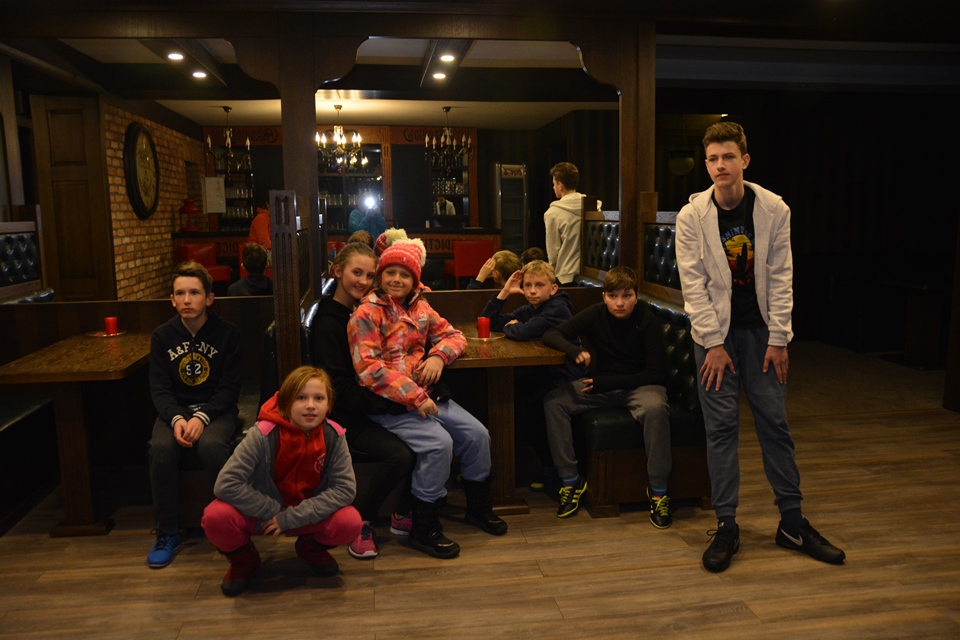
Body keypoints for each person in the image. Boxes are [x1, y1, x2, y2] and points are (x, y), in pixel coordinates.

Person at [676, 121, 845, 573]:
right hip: (714, 339)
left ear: (744, 160)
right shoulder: (692, 216)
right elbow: (693, 285)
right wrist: (713, 343)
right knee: (721, 430)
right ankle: (726, 525)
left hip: (762, 335)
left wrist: (779, 339)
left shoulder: (773, 208)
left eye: (728, 157)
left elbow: (782, 275)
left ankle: (792, 523)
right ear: (706, 164)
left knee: (775, 425)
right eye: (713, 159)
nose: (720, 165)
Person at [347, 239, 507, 559]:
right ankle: (424, 527)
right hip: (390, 403)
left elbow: (454, 336)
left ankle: (478, 508)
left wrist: (437, 356)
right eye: (390, 272)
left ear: (415, 280)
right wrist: (416, 396)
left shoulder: (421, 307)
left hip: (428, 396)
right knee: (438, 445)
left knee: (478, 435)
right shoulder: (366, 313)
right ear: (380, 276)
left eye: (404, 274)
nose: (397, 279)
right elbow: (368, 369)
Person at [201, 366, 363, 596]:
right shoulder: (262, 433)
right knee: (215, 516)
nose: (310, 405)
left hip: (304, 514)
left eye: (319, 398)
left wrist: (290, 518)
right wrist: (273, 511)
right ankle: (244, 559)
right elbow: (226, 483)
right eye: (301, 398)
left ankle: (310, 548)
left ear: (329, 404)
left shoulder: (334, 435)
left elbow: (345, 489)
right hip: (265, 514)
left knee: (350, 522)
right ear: (286, 402)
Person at [542, 266, 671, 525]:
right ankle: (570, 479)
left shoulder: (647, 320)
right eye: (613, 296)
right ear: (604, 297)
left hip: (641, 386)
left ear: (637, 296)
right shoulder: (597, 313)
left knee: (656, 409)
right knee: (554, 402)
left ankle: (659, 491)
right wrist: (574, 351)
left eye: (626, 296)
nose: (619, 303)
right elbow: (551, 334)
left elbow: (656, 373)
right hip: (602, 386)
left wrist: (607, 382)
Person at [311, 242, 416, 560]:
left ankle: (403, 511)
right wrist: (394, 403)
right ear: (337, 271)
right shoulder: (328, 322)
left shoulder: (367, 310)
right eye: (357, 273)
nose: (364, 281)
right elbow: (340, 390)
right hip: (346, 414)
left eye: (370, 275)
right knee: (401, 455)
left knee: (431, 439)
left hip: (373, 403)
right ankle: (362, 521)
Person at [147, 261, 242, 568]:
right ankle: (167, 531)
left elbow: (230, 388)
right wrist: (177, 418)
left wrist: (202, 418)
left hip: (217, 410)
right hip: (175, 411)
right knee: (161, 449)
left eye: (194, 293)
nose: (187, 300)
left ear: (209, 298)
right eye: (180, 293)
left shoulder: (227, 334)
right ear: (172, 300)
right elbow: (160, 389)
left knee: (211, 446)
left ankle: (228, 523)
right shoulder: (162, 336)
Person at [479, 259, 584, 490]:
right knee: (502, 395)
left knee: (526, 407)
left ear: (553, 289)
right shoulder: (532, 309)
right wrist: (504, 292)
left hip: (566, 377)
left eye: (539, 285)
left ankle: (549, 467)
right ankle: (502, 465)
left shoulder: (558, 308)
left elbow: (524, 332)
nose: (532, 291)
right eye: (527, 286)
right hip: (546, 374)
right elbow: (488, 322)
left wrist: (512, 327)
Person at [543, 162, 583, 286]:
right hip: (592, 276)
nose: (553, 187)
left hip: (566, 276)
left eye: (554, 184)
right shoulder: (594, 207)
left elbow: (553, 253)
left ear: (560, 185)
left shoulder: (553, 213)